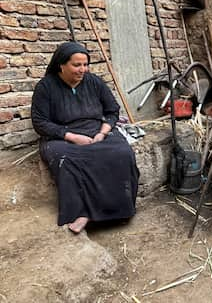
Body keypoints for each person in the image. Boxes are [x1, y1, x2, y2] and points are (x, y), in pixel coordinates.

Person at [31, 41, 139, 234]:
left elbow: (113, 111)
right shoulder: (45, 87)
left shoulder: (94, 82)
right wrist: (72, 137)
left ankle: (117, 209)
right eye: (77, 65)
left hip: (96, 130)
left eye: (85, 64)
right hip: (61, 135)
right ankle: (82, 213)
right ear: (61, 65)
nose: (83, 70)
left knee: (122, 153)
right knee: (68, 159)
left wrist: (102, 132)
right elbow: (40, 122)